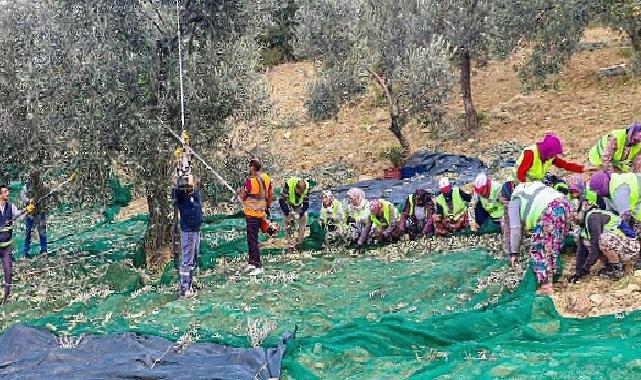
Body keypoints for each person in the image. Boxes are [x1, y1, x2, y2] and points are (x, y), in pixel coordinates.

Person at [506, 181, 571, 295]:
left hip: (549, 210)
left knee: (539, 249)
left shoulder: (514, 200)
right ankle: (553, 273)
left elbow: (515, 229)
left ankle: (546, 286)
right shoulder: (526, 187)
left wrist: (514, 253)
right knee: (554, 243)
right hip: (564, 203)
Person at [568, 206, 638, 283]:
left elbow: (595, 248)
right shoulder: (584, 225)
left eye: (574, 215)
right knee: (586, 241)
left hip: (631, 246)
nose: (573, 219)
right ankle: (610, 265)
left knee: (603, 239)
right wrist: (578, 272)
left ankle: (616, 269)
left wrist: (585, 269)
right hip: (621, 245)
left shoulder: (592, 218)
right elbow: (581, 251)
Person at [589, 171, 641, 269]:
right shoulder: (610, 186)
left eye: (597, 191)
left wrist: (623, 234)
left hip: (637, 208)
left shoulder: (619, 190)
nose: (598, 194)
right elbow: (611, 212)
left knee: (635, 230)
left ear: (602, 186)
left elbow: (625, 215)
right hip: (636, 206)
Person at [238, 159, 275, 276]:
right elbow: (270, 194)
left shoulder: (250, 182)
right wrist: (268, 207)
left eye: (249, 167)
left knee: (252, 240)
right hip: (260, 213)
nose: (248, 169)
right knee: (252, 239)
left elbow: (242, 196)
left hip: (252, 214)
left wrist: (239, 192)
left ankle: (257, 265)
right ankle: (251, 262)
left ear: (253, 168)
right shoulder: (265, 178)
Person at [172, 176, 203, 298]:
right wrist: (178, 180)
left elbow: (193, 183)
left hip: (196, 229)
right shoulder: (181, 196)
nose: (190, 185)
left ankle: (191, 281)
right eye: (187, 183)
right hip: (188, 231)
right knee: (187, 260)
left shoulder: (195, 193)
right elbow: (177, 192)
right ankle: (185, 288)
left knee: (194, 257)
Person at [0, 183, 30, 304]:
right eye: (5, 191)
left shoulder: (10, 207)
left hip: (6, 247)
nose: (8, 193)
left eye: (8, 191)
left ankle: (6, 297)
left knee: (8, 271)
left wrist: (28, 210)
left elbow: (19, 216)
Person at [514, 133, 585, 182]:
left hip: (533, 183)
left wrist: (583, 169)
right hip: (518, 182)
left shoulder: (550, 157)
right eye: (553, 154)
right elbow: (520, 173)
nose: (554, 156)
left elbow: (565, 165)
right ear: (547, 151)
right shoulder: (530, 153)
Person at [21, 171, 48, 257]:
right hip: (30, 213)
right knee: (28, 232)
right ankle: (26, 251)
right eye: (32, 177)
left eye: (35, 177)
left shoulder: (42, 186)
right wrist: (29, 201)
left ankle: (44, 250)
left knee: (42, 232)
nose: (34, 179)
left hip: (40, 212)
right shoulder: (27, 186)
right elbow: (22, 196)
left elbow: (46, 194)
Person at [279, 177, 310, 250]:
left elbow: (306, 204)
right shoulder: (289, 184)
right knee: (288, 224)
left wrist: (300, 213)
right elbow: (282, 200)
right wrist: (288, 212)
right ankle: (290, 243)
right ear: (296, 188)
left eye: (302, 192)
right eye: (299, 192)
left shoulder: (307, 188)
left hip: (299, 205)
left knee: (303, 222)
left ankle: (299, 243)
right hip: (288, 204)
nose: (301, 194)